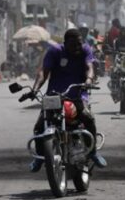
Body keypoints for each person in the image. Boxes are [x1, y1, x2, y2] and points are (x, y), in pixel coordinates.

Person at [27, 29, 107, 172]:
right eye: (73, 44)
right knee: (40, 126)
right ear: (65, 43)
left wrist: (88, 80)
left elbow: (90, 67)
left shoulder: (85, 50)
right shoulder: (54, 51)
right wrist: (34, 89)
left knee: (88, 118)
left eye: (79, 44)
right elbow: (43, 73)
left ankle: (93, 152)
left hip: (77, 95)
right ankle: (40, 156)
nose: (76, 47)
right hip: (53, 96)